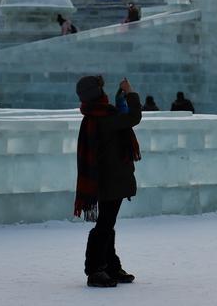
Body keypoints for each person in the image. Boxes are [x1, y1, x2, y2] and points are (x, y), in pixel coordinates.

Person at [74, 75, 143, 288]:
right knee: (104, 225)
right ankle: (95, 269)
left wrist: (120, 98)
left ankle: (110, 265)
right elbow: (133, 117)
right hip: (110, 180)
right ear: (97, 94)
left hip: (106, 179)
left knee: (107, 224)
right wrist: (130, 92)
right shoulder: (104, 118)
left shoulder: (95, 115)